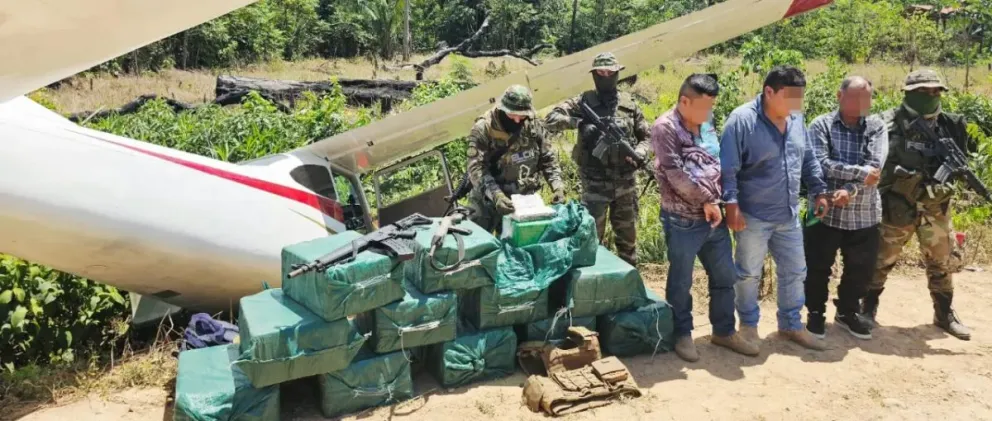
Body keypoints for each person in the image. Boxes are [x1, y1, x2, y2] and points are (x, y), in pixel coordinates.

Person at [720, 65, 845, 351]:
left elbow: (808, 158)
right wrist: (731, 205)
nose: (796, 104)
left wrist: (819, 191)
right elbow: (728, 169)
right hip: (752, 214)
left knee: (795, 270)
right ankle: (748, 325)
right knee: (748, 274)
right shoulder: (741, 121)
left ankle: (790, 324)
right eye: (790, 98)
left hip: (787, 213)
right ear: (769, 92)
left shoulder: (796, 118)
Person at [651, 73, 759, 362]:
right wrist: (706, 201)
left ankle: (723, 331)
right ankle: (682, 333)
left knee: (724, 276)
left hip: (713, 217)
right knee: (681, 280)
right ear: (684, 101)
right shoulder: (665, 127)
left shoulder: (706, 121)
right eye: (703, 106)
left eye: (711, 106)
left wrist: (723, 200)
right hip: (682, 219)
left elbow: (714, 161)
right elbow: (675, 175)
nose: (708, 112)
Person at [866, 69, 974, 341]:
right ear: (908, 93)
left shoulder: (952, 125)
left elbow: (960, 166)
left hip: (935, 208)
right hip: (897, 206)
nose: (931, 95)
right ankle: (866, 309)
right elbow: (873, 165)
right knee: (880, 260)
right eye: (923, 91)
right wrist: (903, 181)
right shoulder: (885, 123)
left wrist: (943, 184)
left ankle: (944, 313)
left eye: (936, 90)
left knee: (941, 262)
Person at [545, 52, 651, 266]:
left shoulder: (630, 104)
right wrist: (579, 123)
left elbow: (647, 137)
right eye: (600, 73)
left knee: (628, 243)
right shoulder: (583, 101)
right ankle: (592, 282)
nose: (605, 77)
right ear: (593, 75)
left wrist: (640, 153)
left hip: (625, 184)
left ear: (617, 73)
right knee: (590, 241)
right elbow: (551, 119)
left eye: (609, 73)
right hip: (594, 185)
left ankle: (629, 279)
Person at [803, 76, 888, 341]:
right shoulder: (821, 125)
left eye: (867, 97)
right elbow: (820, 163)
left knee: (860, 269)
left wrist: (849, 189)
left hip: (863, 213)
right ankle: (815, 313)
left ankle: (847, 312)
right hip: (825, 211)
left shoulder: (876, 126)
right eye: (856, 97)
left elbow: (876, 166)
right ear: (840, 96)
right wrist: (860, 174)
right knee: (816, 267)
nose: (863, 103)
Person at [465, 84, 566, 233]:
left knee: (522, 244)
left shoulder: (533, 125)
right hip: (487, 200)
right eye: (512, 115)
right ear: (502, 109)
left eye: (522, 115)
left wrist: (557, 186)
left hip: (523, 201)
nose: (518, 120)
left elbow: (548, 158)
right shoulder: (483, 129)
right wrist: (496, 195)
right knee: (477, 242)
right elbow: (476, 169)